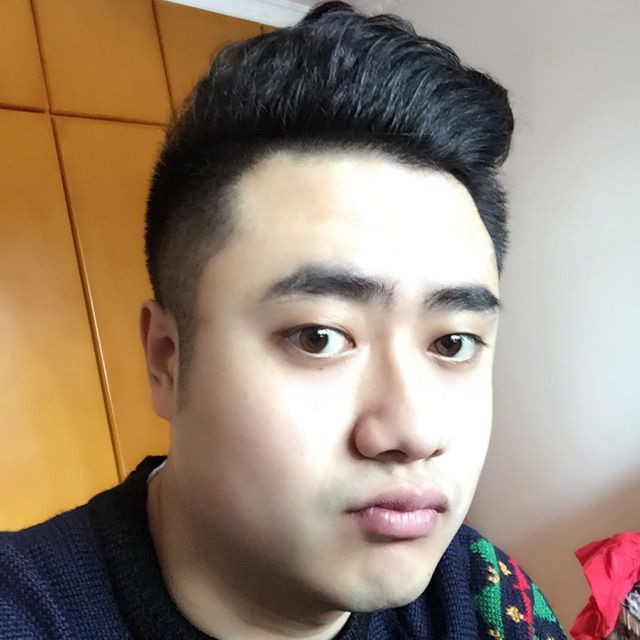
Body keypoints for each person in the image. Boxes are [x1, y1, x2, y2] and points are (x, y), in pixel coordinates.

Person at [0, 2, 567, 639]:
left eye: (453, 342)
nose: (413, 431)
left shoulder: (483, 590)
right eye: (319, 337)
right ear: (167, 358)